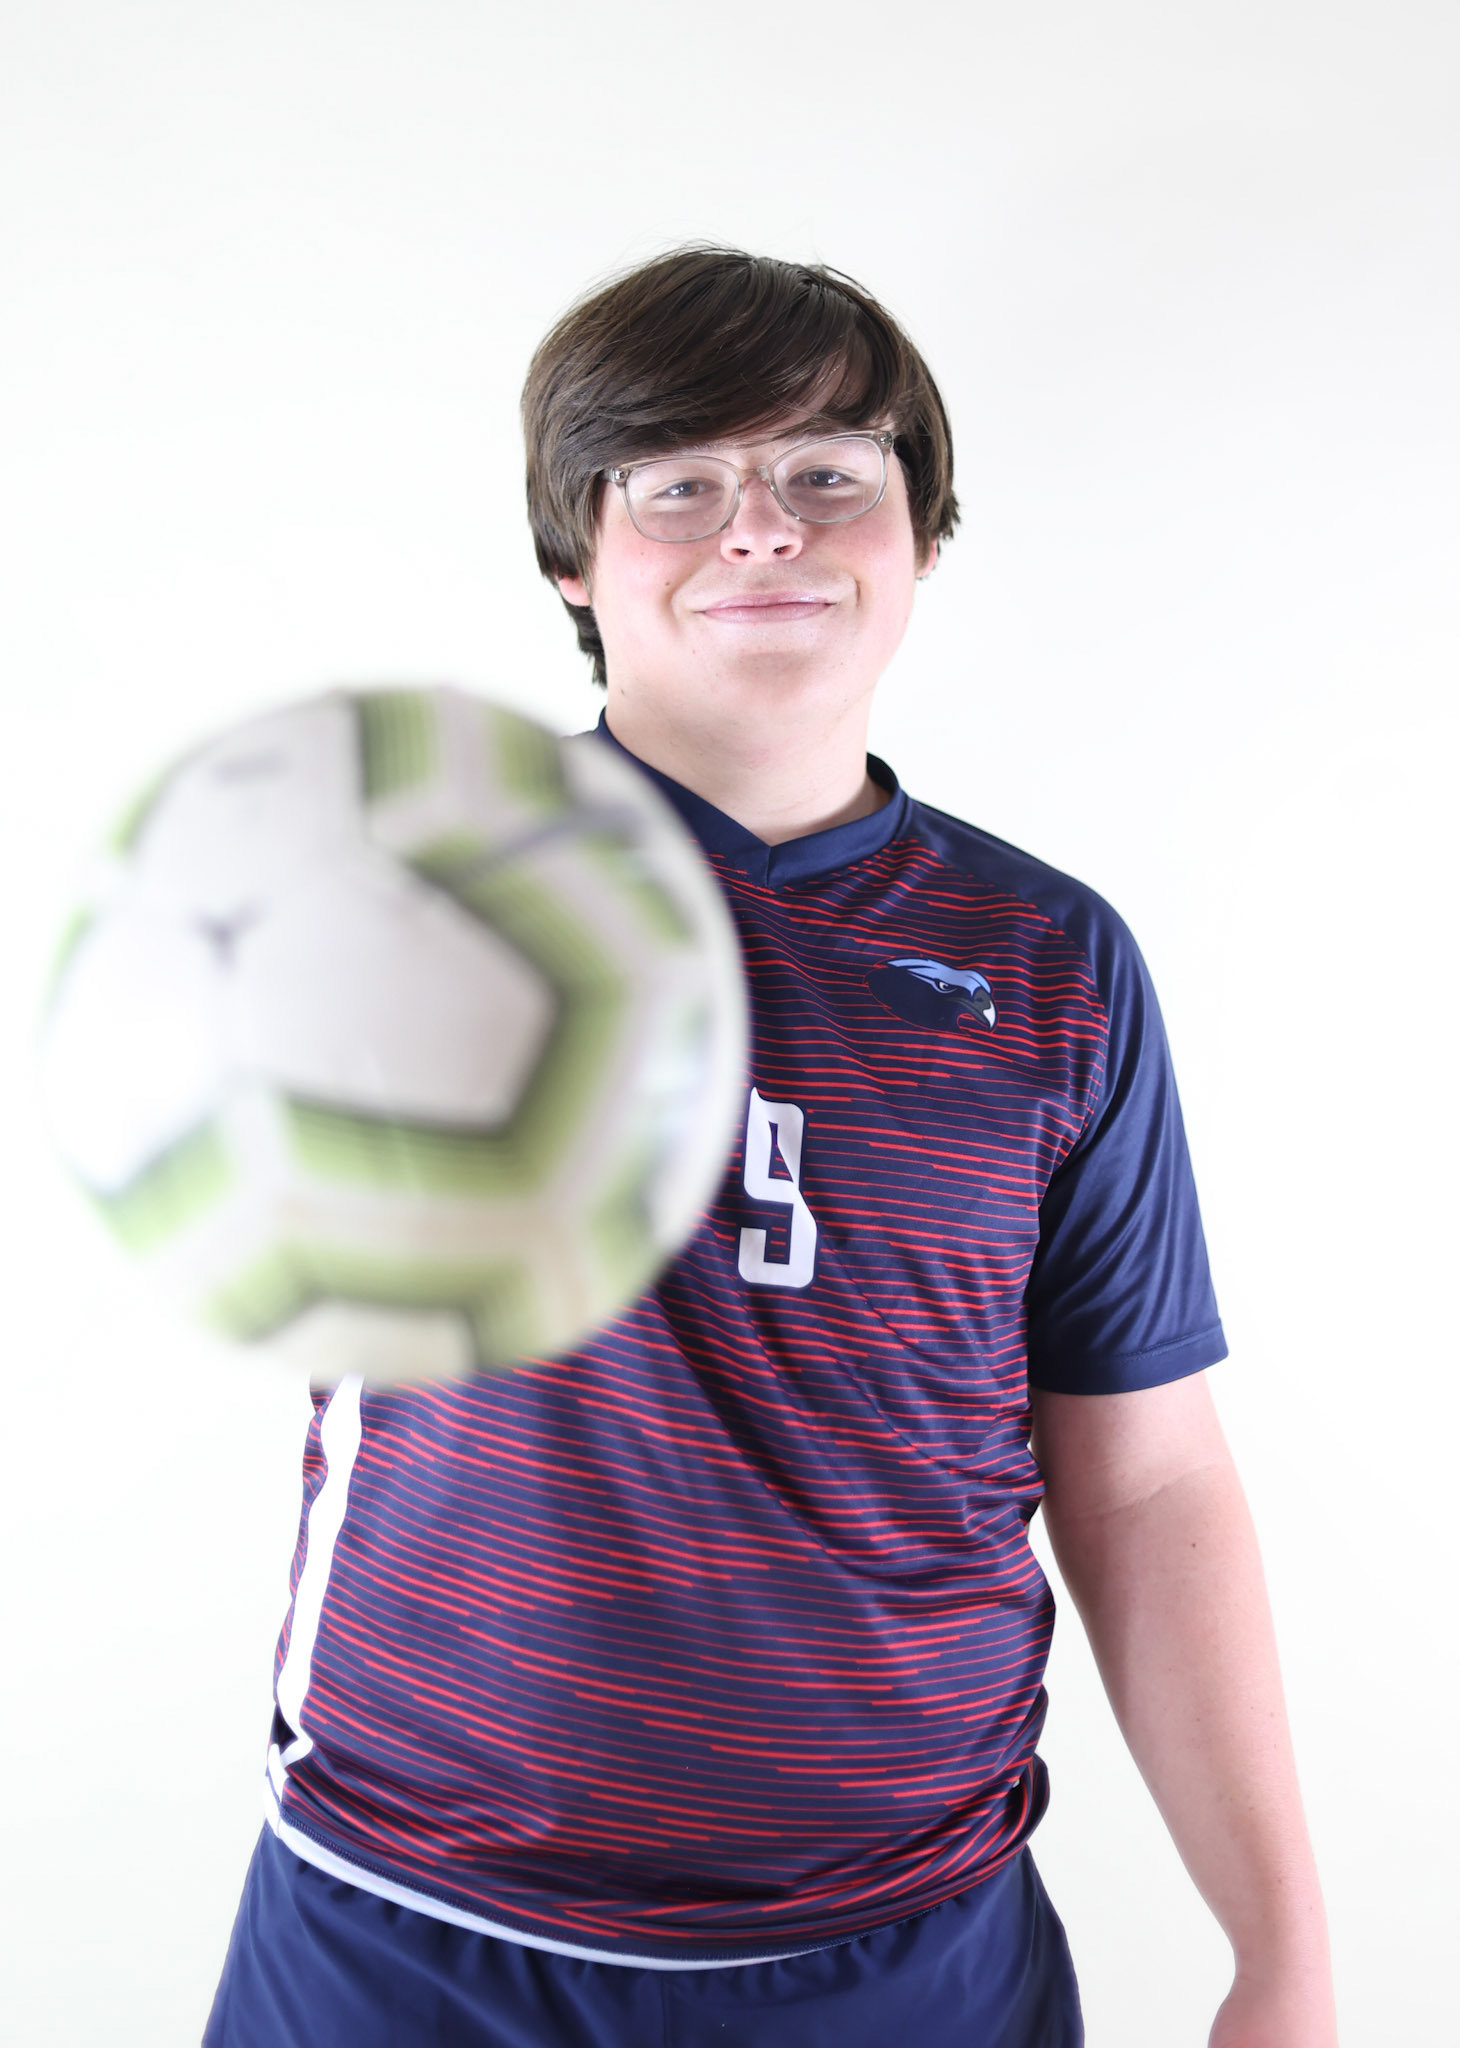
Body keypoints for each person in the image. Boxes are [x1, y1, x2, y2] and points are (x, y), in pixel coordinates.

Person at [205, 248, 1335, 2046]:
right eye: (679, 483)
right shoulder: (421, 890)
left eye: (831, 472)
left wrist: (1279, 1950)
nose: (761, 529)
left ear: (923, 544)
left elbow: (1148, 1481)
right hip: (410, 1933)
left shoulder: (1049, 965)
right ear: (574, 559)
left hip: (905, 1961)